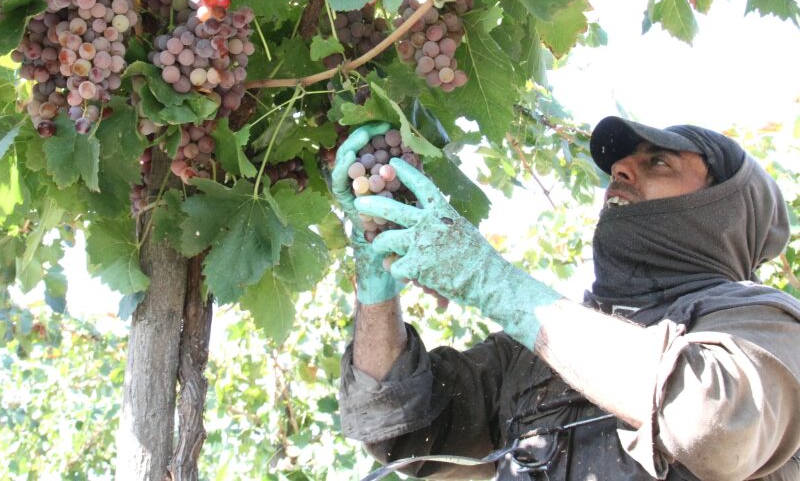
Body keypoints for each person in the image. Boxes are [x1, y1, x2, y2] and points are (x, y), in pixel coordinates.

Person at [331, 117, 800, 480]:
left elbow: (719, 423)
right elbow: (401, 429)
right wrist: (376, 283)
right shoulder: (528, 354)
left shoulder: (763, 322)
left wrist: (491, 280)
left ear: (724, 210)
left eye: (659, 162)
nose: (619, 170)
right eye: (623, 165)